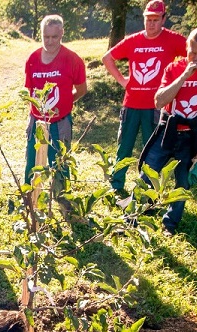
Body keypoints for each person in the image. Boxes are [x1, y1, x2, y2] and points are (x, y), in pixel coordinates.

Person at [141, 26, 197, 236]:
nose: (196, 58)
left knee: (183, 183)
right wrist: (186, 74)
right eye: (191, 52)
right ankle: (139, 215)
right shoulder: (174, 68)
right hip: (168, 129)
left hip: (192, 135)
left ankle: (170, 223)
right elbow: (159, 101)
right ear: (186, 47)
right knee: (147, 174)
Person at [102, 0, 185, 194]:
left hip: (157, 107)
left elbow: (192, 55)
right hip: (131, 104)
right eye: (148, 19)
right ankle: (116, 185)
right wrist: (123, 81)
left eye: (156, 20)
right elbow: (107, 58)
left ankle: (149, 189)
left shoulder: (173, 39)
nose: (151, 24)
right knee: (124, 147)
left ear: (164, 19)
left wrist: (180, 82)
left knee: (154, 152)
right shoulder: (134, 40)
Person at [24, 15, 87, 201]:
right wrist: (31, 116)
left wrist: (66, 104)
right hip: (37, 121)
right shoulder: (32, 59)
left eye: (54, 37)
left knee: (59, 164)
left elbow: (82, 89)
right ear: (41, 35)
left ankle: (63, 202)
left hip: (60, 123)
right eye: (46, 37)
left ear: (62, 34)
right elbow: (31, 92)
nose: (50, 42)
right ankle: (30, 200)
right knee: (32, 162)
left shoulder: (72, 59)